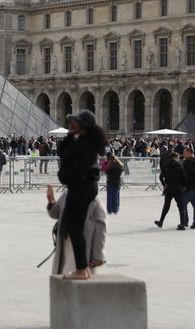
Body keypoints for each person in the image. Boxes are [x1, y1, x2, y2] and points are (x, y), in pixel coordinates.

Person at [57, 110, 107, 280]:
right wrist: (70, 135)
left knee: (75, 229)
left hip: (81, 188)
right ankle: (83, 269)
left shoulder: (84, 145)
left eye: (75, 122)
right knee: (75, 229)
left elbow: (69, 162)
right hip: (84, 187)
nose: (71, 124)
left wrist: (64, 177)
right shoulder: (85, 142)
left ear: (83, 125)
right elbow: (64, 154)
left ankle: (81, 269)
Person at [46, 184, 107, 276]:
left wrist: (98, 255)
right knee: (64, 275)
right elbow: (56, 213)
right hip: (66, 244)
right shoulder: (66, 195)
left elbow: (101, 229)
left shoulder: (93, 200)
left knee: (81, 282)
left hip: (83, 247)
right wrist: (52, 201)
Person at [154, 152, 187, 230]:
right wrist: (184, 185)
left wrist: (164, 184)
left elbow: (161, 177)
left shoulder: (166, 166)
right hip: (178, 188)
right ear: (174, 158)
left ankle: (161, 221)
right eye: (177, 157)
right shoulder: (179, 166)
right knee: (181, 206)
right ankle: (182, 223)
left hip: (169, 188)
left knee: (166, 205)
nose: (179, 158)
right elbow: (184, 177)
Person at [180, 147, 195, 229]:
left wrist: (183, 186)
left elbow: (184, 176)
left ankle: (184, 222)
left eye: (184, 153)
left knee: (183, 205)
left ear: (189, 153)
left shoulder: (186, 163)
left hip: (189, 188)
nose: (183, 154)